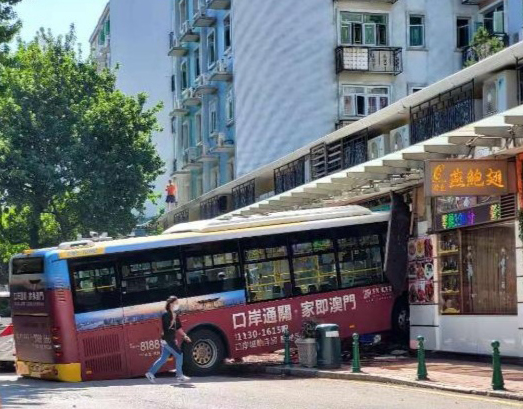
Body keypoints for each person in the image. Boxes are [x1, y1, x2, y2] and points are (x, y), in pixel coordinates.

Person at [145, 296, 191, 383]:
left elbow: (178, 328)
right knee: (179, 355)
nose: (177, 305)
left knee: (163, 358)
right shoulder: (165, 315)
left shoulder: (175, 314)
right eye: (176, 303)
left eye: (177, 303)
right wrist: (173, 318)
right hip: (167, 340)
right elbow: (167, 328)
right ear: (170, 304)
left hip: (170, 339)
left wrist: (185, 335)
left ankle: (150, 373)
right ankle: (179, 376)